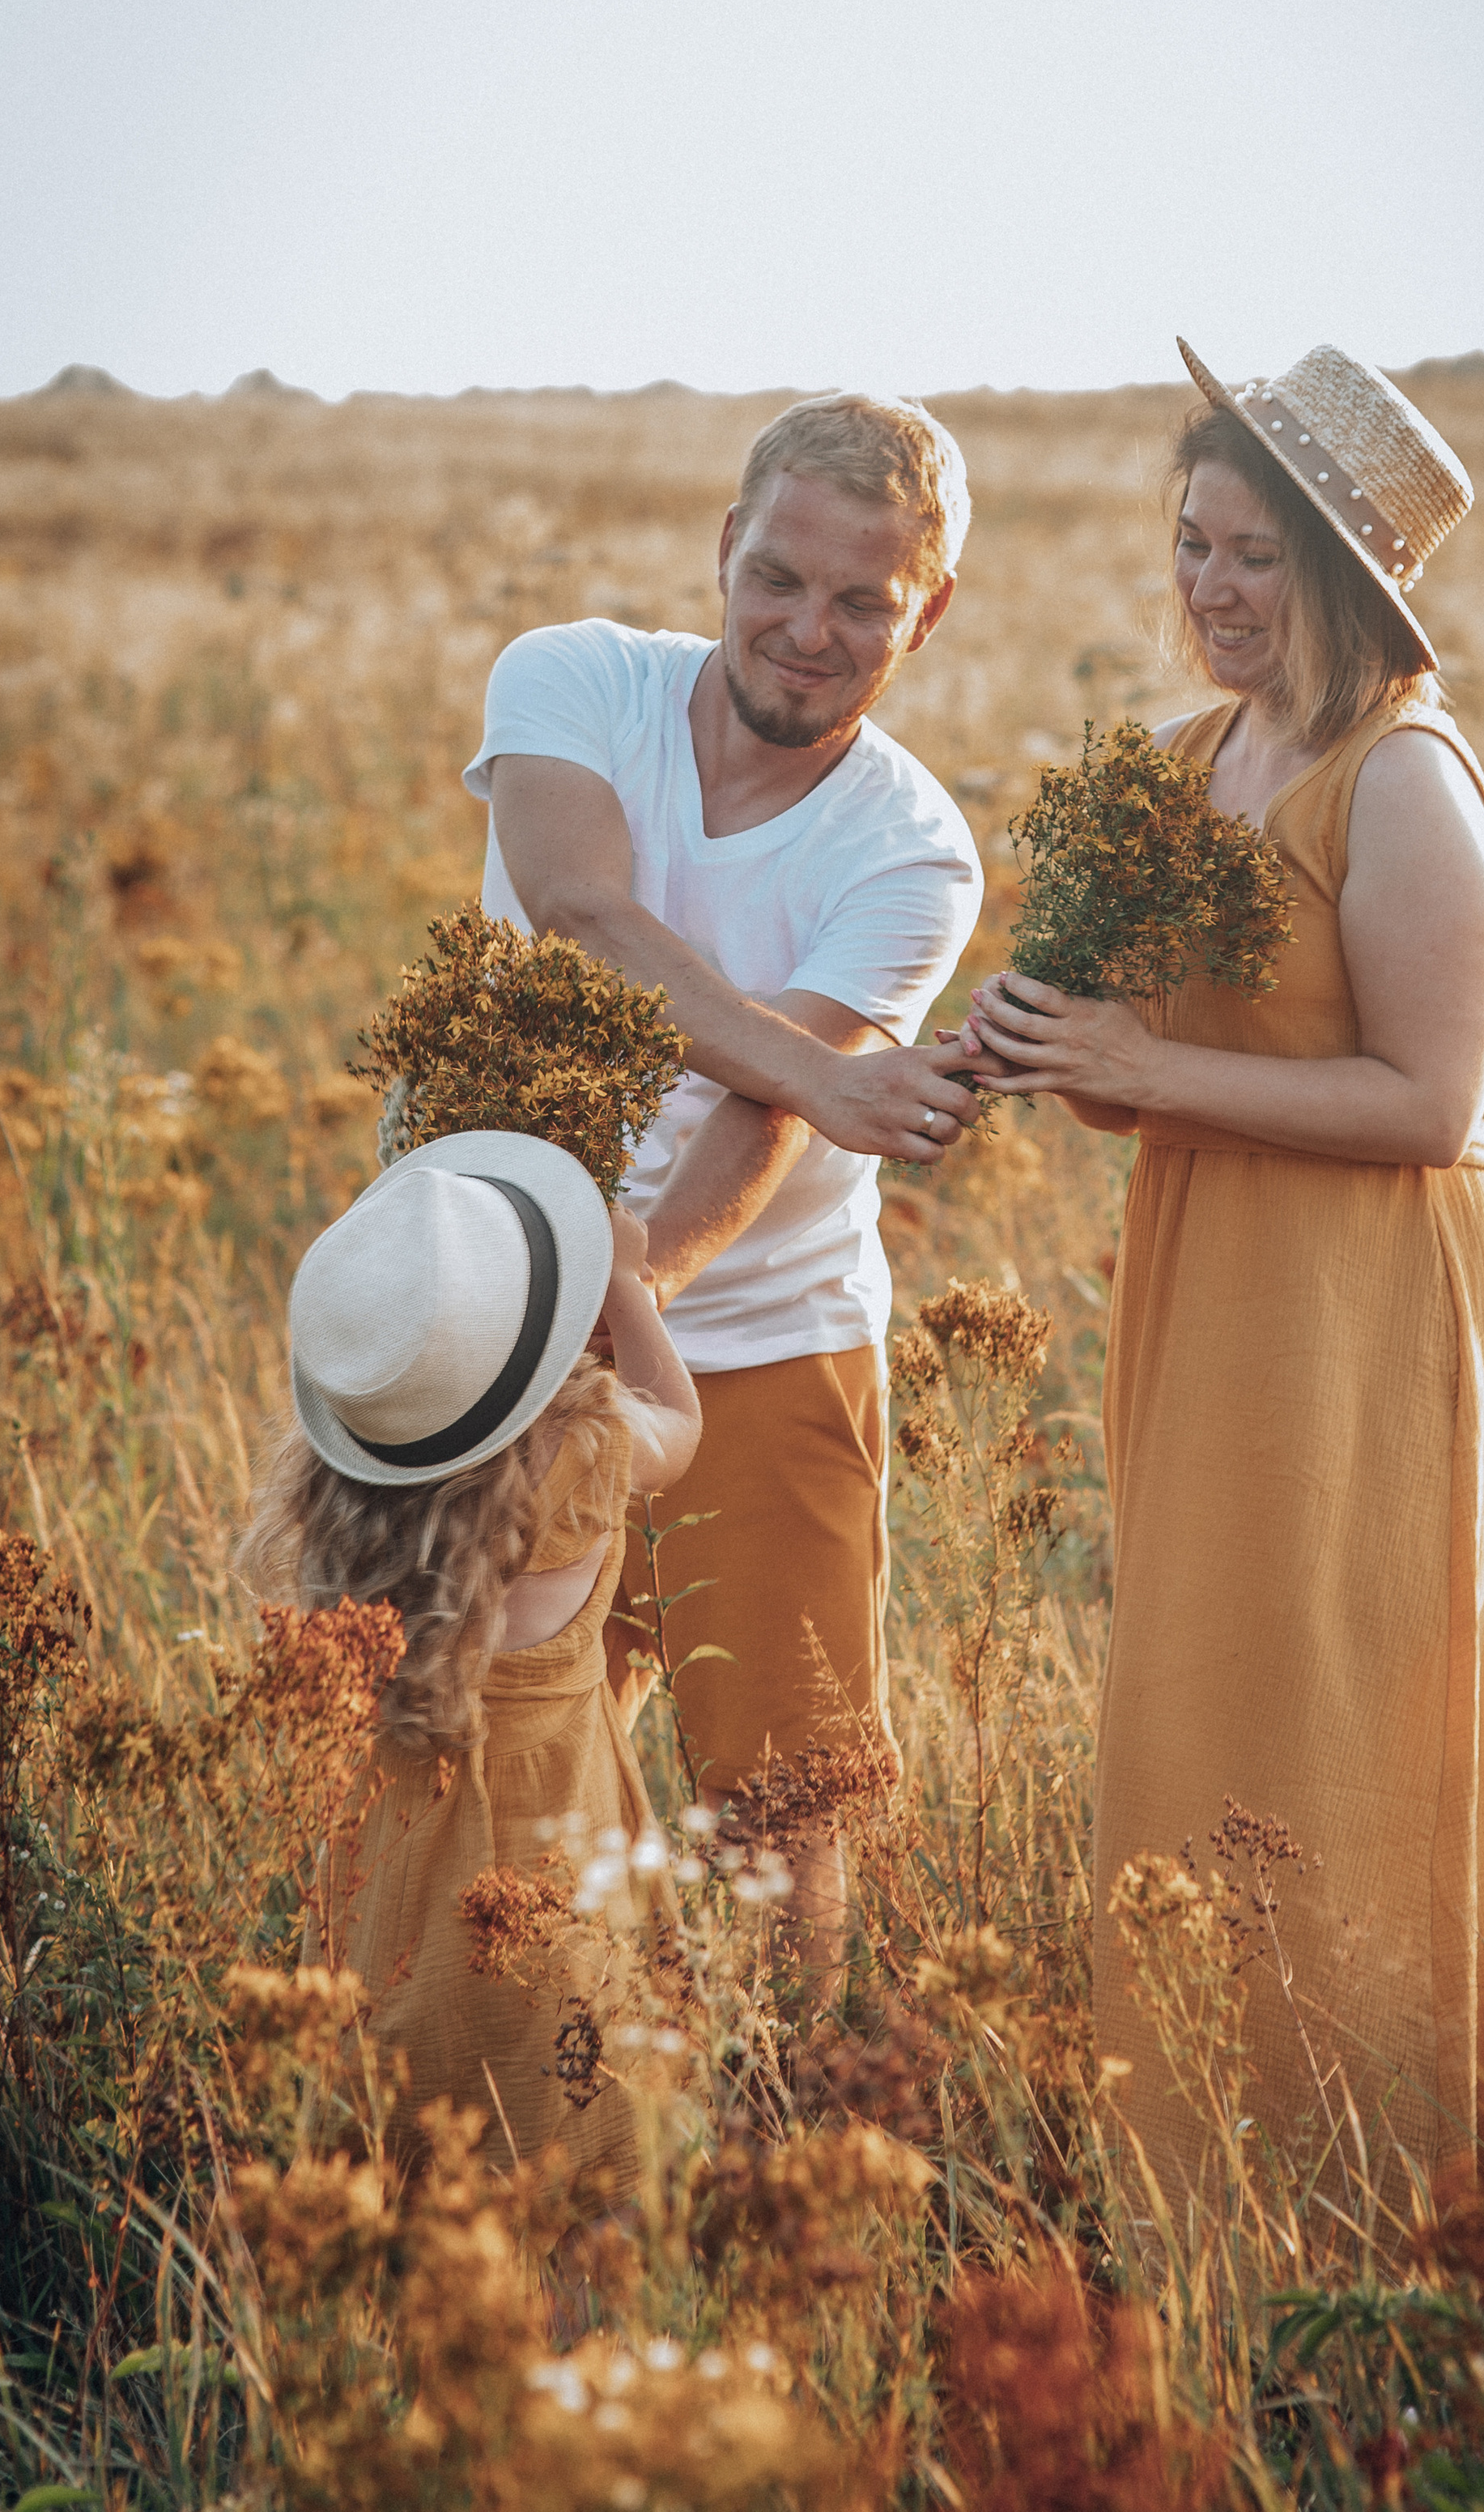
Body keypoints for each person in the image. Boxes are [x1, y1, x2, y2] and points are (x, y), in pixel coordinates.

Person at [962, 338, 1484, 2205]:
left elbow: (1431, 1102)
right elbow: (1122, 1079)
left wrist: (1140, 1070)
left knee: (1341, 1722)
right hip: (1210, 1292)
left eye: (1251, 557)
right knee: (1200, 1710)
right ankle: (1191, 2193)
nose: (1208, 588)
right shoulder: (1175, 765)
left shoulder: (1401, 782)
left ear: (1343, 579)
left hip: (1369, 1309)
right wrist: (1045, 1043)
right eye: (1190, 543)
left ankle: (1375, 2192)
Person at [464, 397, 985, 1986]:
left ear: (926, 615)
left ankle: (795, 2102)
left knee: (780, 1809)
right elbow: (578, 910)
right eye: (778, 578)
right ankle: (507, 2095)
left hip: (766, 1345)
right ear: (723, 549)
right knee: (479, 1769)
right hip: (491, 1324)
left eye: (861, 603)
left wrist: (631, 1302)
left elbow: (764, 1120)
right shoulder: (568, 679)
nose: (807, 631)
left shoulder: (912, 850)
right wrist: (826, 1078)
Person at [235, 1128, 703, 2176]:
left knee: (397, 2115)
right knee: (578, 2118)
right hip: (556, 1864)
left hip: (395, 1876)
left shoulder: (346, 1493)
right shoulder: (584, 1449)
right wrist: (627, 1288)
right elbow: (680, 1423)